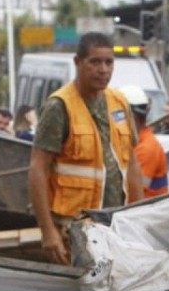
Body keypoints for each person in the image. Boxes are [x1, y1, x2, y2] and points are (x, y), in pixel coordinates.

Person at [29, 33, 143, 264]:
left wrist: (139, 216)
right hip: (72, 228)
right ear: (77, 62)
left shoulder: (119, 102)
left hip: (113, 225)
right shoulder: (59, 106)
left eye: (109, 62)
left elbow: (131, 165)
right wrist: (48, 231)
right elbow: (37, 169)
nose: (103, 70)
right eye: (95, 62)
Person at [119, 84, 168, 199]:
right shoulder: (136, 142)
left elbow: (132, 191)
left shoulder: (146, 148)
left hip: (145, 213)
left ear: (130, 115)